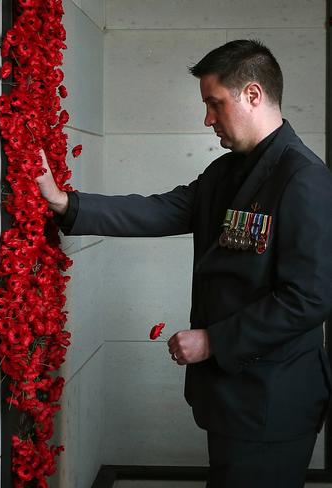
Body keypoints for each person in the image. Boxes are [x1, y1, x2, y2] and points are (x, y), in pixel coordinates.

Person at [36, 39, 332, 488]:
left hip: (272, 403)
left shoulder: (304, 178)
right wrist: (65, 203)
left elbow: (310, 298)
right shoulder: (226, 171)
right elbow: (161, 210)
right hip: (230, 398)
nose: (207, 118)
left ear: (252, 94)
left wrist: (214, 341)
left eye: (215, 103)